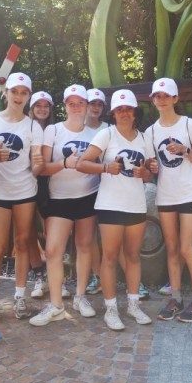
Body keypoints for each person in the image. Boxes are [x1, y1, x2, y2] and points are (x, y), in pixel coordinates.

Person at [77, 89, 153, 330]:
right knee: (109, 257)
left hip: (136, 204)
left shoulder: (144, 138)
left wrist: (144, 173)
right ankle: (111, 309)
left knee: (133, 256)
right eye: (120, 109)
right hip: (110, 204)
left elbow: (150, 174)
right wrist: (105, 168)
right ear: (113, 113)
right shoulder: (106, 134)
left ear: (135, 112)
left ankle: (133, 305)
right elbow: (82, 163)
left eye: (128, 109)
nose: (124, 113)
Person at [30, 84, 99, 326]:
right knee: (52, 251)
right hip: (58, 199)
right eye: (71, 103)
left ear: (87, 105)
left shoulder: (96, 133)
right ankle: (56, 305)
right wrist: (65, 164)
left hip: (88, 196)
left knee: (84, 246)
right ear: (65, 106)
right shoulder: (53, 130)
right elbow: (42, 169)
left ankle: (80, 297)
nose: (76, 107)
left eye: (80, 102)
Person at [0, 72, 44, 319]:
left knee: (22, 243)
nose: (18, 96)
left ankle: (19, 297)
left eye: (23, 92)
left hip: (25, 191)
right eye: (14, 91)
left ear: (29, 96)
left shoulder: (33, 126)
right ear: (5, 93)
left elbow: (36, 163)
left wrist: (38, 165)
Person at [144, 78, 192, 323]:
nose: (161, 99)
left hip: (189, 193)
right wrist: (150, 167)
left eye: (165, 95)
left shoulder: (189, 124)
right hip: (166, 194)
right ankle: (177, 298)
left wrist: (184, 150)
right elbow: (151, 168)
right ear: (153, 100)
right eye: (157, 96)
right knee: (171, 249)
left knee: (186, 249)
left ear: (175, 99)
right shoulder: (150, 132)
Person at [26, 90, 55, 299]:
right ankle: (39, 277)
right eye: (38, 105)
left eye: (46, 106)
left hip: (51, 184)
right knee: (29, 231)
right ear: (32, 108)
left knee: (53, 232)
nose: (42, 109)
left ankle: (56, 278)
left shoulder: (57, 129)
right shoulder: (23, 127)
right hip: (25, 183)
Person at [85, 88, 107, 295]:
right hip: (85, 190)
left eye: (100, 104)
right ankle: (97, 275)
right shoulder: (77, 128)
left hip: (109, 189)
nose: (96, 107)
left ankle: (131, 280)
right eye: (92, 103)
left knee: (114, 235)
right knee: (90, 236)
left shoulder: (109, 128)